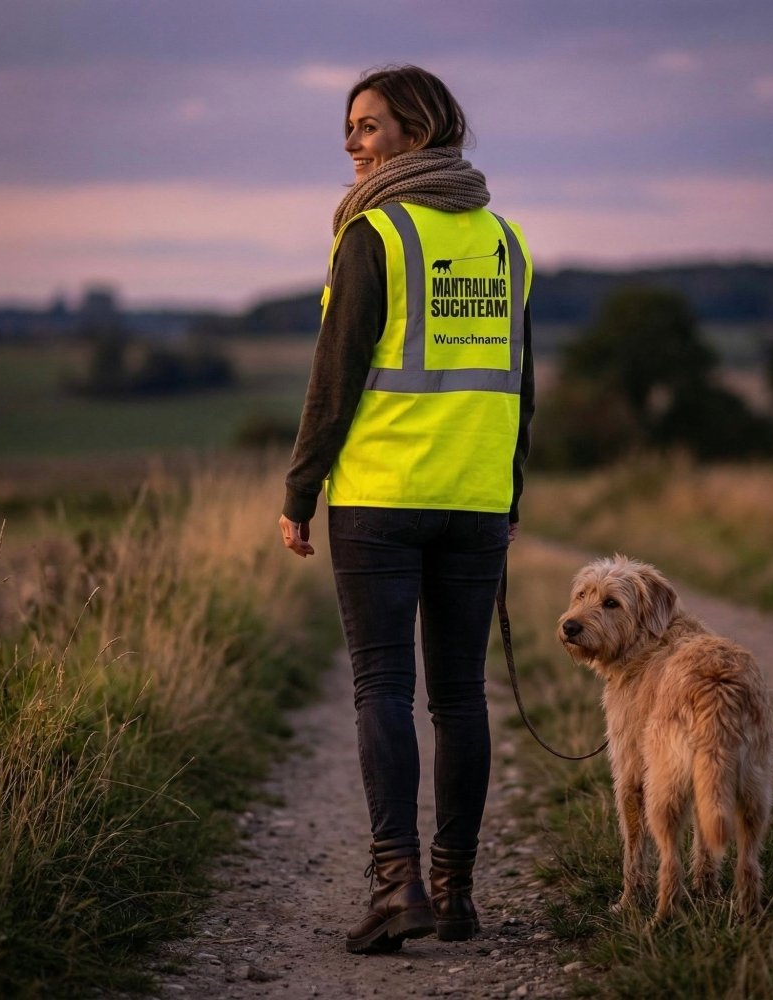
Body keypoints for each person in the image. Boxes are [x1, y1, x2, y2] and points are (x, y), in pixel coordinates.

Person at [278, 65, 534, 955]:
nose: (354, 145)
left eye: (371, 127)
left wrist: (300, 491)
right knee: (461, 694)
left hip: (381, 496)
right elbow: (520, 388)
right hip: (472, 498)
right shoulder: (505, 239)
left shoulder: (375, 233)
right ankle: (457, 894)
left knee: (383, 687)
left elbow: (333, 377)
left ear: (419, 129)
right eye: (349, 129)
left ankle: (400, 891)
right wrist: (509, 495)